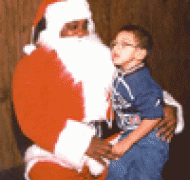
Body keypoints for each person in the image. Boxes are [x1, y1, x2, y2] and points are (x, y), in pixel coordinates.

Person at [13, 0, 184, 179]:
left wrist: (164, 105)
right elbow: (31, 117)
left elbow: (140, 86)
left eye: (85, 25)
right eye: (72, 26)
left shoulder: (105, 55)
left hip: (113, 145)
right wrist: (82, 143)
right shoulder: (31, 65)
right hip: (55, 153)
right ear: (53, 29)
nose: (81, 33)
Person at [105, 25, 174, 180]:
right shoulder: (122, 73)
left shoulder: (141, 81)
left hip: (151, 139)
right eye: (114, 43)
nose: (116, 48)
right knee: (116, 172)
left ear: (140, 53)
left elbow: (154, 116)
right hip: (130, 133)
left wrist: (127, 142)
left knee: (144, 175)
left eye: (124, 44)